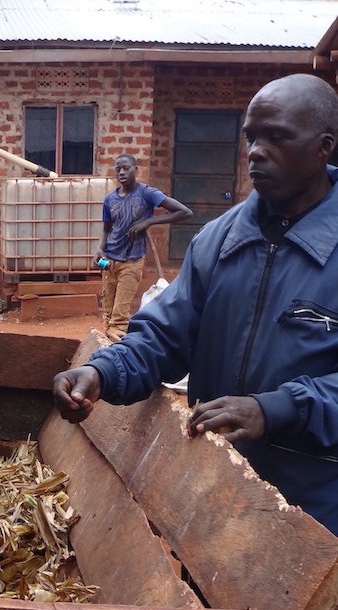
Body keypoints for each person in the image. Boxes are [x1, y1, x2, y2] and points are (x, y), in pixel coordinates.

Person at [53, 73, 338, 537]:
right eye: (251, 137)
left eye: (277, 137)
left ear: (324, 145)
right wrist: (103, 372)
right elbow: (164, 337)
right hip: (215, 492)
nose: (255, 151)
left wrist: (278, 409)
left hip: (317, 509)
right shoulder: (219, 241)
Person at [95, 154, 192, 341]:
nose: (122, 172)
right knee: (107, 315)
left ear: (136, 170)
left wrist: (149, 221)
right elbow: (107, 229)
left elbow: (184, 212)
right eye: (118, 169)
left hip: (131, 262)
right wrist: (99, 249)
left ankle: (116, 360)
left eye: (126, 168)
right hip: (109, 262)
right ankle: (109, 350)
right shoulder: (109, 200)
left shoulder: (147, 193)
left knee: (119, 319)